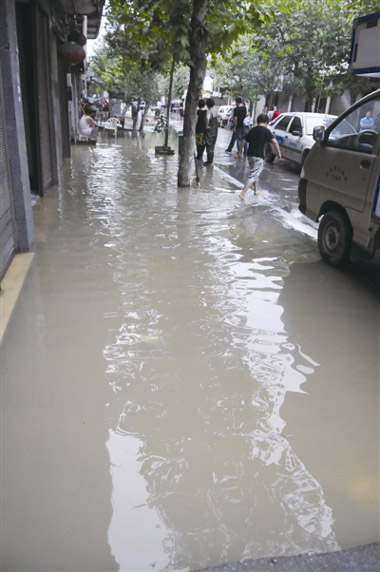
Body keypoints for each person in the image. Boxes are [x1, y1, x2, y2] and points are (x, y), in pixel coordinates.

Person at [237, 113, 281, 200]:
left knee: (255, 172)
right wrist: (278, 153)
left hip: (250, 155)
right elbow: (275, 142)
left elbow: (243, 140)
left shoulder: (252, 130)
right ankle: (243, 193)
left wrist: (239, 152)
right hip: (259, 156)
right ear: (265, 122)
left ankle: (256, 189)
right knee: (253, 175)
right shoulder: (266, 131)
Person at [204, 98, 218, 166]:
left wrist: (206, 126)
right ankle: (211, 161)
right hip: (215, 130)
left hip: (210, 131)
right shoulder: (215, 110)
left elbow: (207, 118)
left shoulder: (209, 111)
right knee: (212, 146)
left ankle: (209, 161)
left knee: (209, 146)